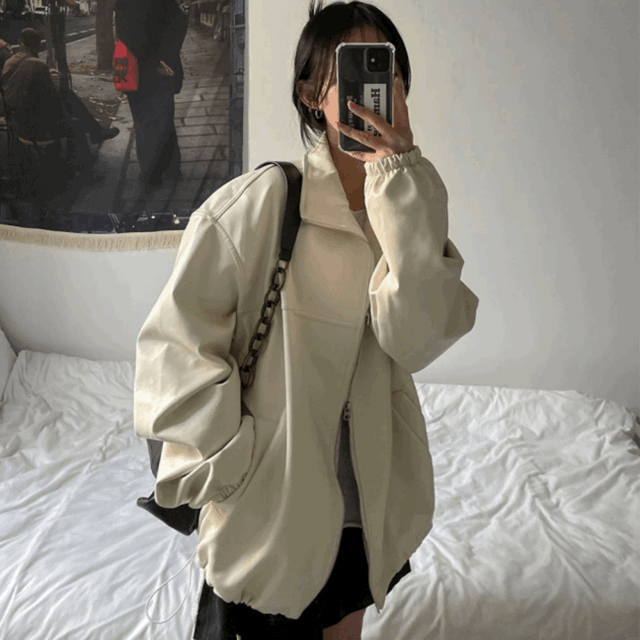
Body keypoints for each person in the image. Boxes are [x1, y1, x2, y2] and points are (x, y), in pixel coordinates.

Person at [133, 2, 479, 639]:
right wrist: (234, 465)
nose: (369, 87)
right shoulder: (261, 204)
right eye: (347, 69)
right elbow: (173, 354)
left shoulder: (406, 206)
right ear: (310, 93)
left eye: (384, 70)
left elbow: (418, 340)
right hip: (271, 506)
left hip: (366, 506)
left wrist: (402, 180)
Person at [1, 28, 119, 153]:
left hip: (19, 120)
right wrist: (53, 80)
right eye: (6, 46)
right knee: (71, 111)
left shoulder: (12, 63)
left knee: (67, 97)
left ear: (20, 42)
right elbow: (50, 95)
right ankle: (89, 146)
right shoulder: (34, 63)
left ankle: (96, 132)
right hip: (36, 124)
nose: (9, 47)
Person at [114, 0, 188, 191]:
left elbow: (127, 35)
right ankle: (171, 168)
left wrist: (154, 61)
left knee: (145, 123)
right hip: (165, 67)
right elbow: (180, 20)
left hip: (142, 69)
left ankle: (152, 175)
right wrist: (169, 54)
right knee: (165, 118)